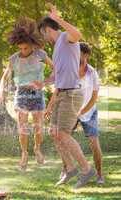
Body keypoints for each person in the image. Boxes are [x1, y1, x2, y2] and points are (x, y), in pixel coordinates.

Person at [38, 5, 95, 188]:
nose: (43, 38)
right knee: (54, 133)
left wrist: (58, 18)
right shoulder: (56, 49)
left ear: (47, 29)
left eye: (42, 34)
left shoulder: (65, 37)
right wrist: (42, 83)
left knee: (63, 133)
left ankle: (86, 170)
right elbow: (57, 76)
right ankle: (70, 168)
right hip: (61, 93)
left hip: (72, 94)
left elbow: (77, 34)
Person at [0, 17, 54, 171]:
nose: (23, 51)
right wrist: (2, 91)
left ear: (32, 45)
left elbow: (56, 69)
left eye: (25, 49)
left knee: (38, 128)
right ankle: (24, 153)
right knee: (22, 127)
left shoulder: (40, 54)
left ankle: (37, 149)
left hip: (37, 94)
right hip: (21, 94)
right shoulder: (14, 58)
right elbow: (5, 76)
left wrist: (45, 82)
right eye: (20, 48)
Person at [46, 42, 104, 184]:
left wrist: (81, 111)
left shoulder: (92, 73)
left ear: (87, 56)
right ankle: (67, 170)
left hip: (88, 112)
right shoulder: (69, 70)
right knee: (61, 137)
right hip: (70, 109)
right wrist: (50, 106)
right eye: (77, 54)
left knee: (94, 144)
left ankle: (99, 175)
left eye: (83, 55)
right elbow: (58, 89)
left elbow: (94, 97)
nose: (80, 57)